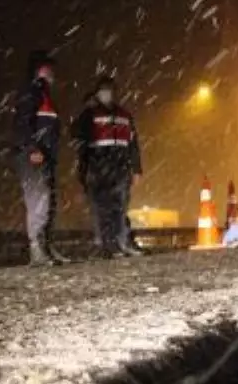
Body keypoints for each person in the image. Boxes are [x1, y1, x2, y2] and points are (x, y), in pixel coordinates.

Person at [73, 74, 144, 258]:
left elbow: (133, 144)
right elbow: (78, 137)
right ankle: (104, 245)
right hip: (98, 168)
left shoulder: (125, 116)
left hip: (120, 168)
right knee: (101, 208)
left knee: (119, 208)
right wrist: (83, 171)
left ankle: (121, 243)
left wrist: (136, 168)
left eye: (108, 91)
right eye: (102, 91)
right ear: (97, 94)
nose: (106, 94)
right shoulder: (90, 114)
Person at [13, 51, 69, 265]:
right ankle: (36, 250)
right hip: (33, 156)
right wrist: (31, 149)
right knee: (39, 202)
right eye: (47, 68)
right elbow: (22, 124)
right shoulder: (31, 91)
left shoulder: (44, 95)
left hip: (47, 157)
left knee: (49, 202)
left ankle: (46, 247)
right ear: (38, 70)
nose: (51, 72)